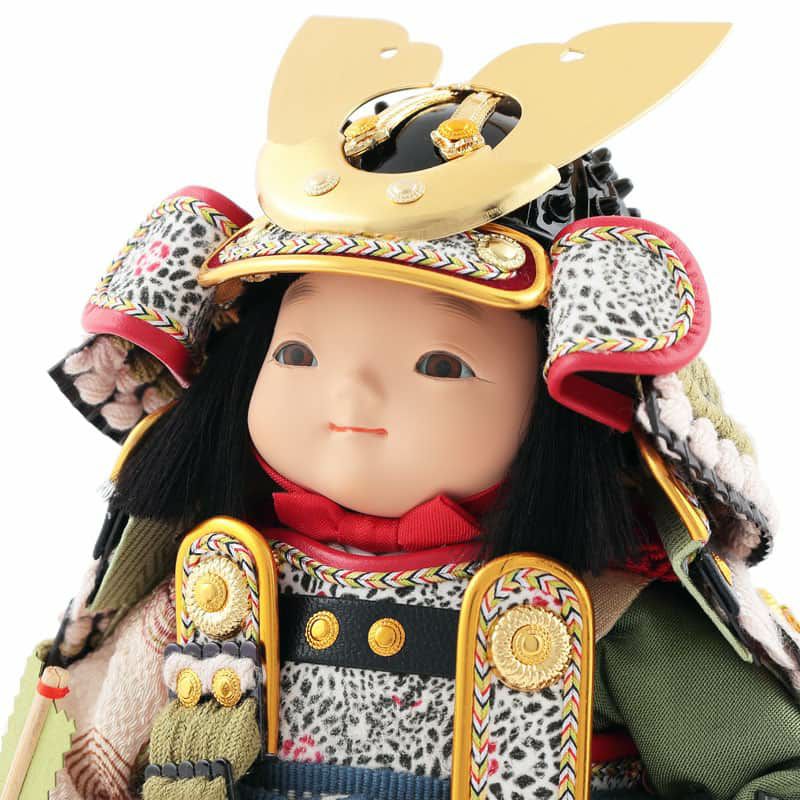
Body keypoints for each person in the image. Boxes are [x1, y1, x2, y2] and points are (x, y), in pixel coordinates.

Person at [10, 17, 800, 800]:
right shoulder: (208, 591)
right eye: (298, 354)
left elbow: (766, 770)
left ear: (562, 397)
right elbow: (86, 744)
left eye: (439, 365)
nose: (350, 395)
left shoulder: (611, 611)